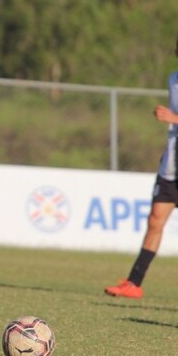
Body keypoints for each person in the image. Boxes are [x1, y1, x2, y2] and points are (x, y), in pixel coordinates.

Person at [105, 36, 178, 299]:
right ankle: (134, 283)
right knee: (154, 220)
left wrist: (174, 118)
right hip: (171, 167)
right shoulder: (173, 78)